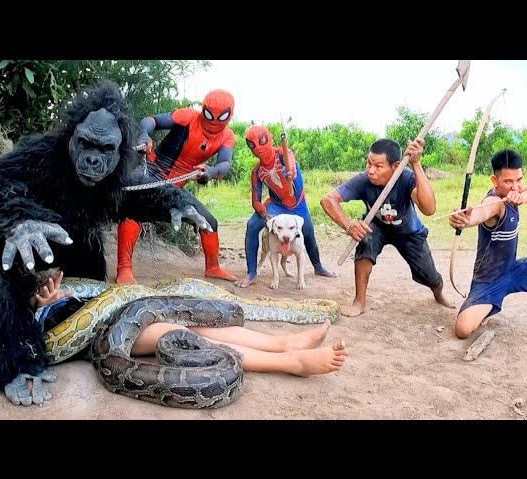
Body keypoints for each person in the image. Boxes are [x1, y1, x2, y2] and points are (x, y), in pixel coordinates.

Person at [35, 271, 349, 377]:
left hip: (127, 313)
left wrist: (67, 293)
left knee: (196, 322)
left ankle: (284, 343)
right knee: (178, 333)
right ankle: (291, 362)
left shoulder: (74, 287)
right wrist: (43, 306)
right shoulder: (31, 309)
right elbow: (35, 341)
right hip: (106, 336)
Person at [320, 138, 455, 317]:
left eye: (378, 166)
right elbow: (328, 200)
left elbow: (429, 209)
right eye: (369, 163)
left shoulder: (406, 177)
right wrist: (349, 225)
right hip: (378, 227)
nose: (371, 170)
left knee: (430, 276)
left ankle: (438, 293)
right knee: (365, 236)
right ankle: (359, 301)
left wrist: (416, 164)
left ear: (395, 166)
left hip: (409, 232)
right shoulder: (363, 180)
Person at [117, 89, 238, 284]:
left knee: (209, 222)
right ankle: (124, 268)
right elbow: (151, 121)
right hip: (152, 172)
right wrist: (144, 135)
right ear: (203, 109)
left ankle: (213, 267)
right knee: (133, 211)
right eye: (209, 115)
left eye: (220, 117)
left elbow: (224, 166)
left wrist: (210, 171)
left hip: (176, 190)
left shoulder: (227, 137)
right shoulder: (188, 116)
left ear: (229, 115)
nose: (213, 122)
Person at [448, 149, 527, 338]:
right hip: (489, 280)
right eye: (508, 181)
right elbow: (482, 213)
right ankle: (486, 308)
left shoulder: (516, 191)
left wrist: (522, 196)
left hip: (513, 270)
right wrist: (466, 219)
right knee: (463, 329)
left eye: (519, 180)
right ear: (494, 181)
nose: (515, 186)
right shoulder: (494, 202)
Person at [235, 125, 336, 288]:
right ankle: (251, 273)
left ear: (271, 139)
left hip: (298, 203)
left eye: (262, 141)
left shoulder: (283, 154)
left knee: (308, 231)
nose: (258, 148)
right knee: (252, 225)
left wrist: (291, 172)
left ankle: (318, 267)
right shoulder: (257, 172)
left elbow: (291, 164)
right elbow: (256, 201)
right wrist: (264, 214)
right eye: (252, 145)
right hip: (276, 205)